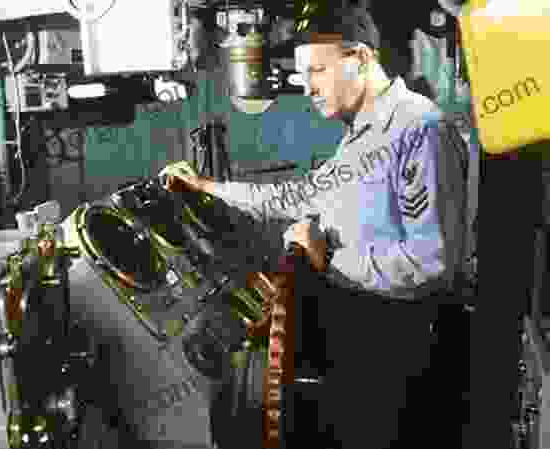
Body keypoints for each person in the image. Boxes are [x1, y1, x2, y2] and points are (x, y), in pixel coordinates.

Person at [164, 6, 471, 448]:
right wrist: (208, 187)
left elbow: (432, 262)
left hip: (403, 362)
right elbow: (297, 197)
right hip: (367, 353)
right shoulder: (361, 134)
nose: (308, 86)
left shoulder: (416, 130)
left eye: (318, 71)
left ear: (361, 59)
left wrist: (328, 258)